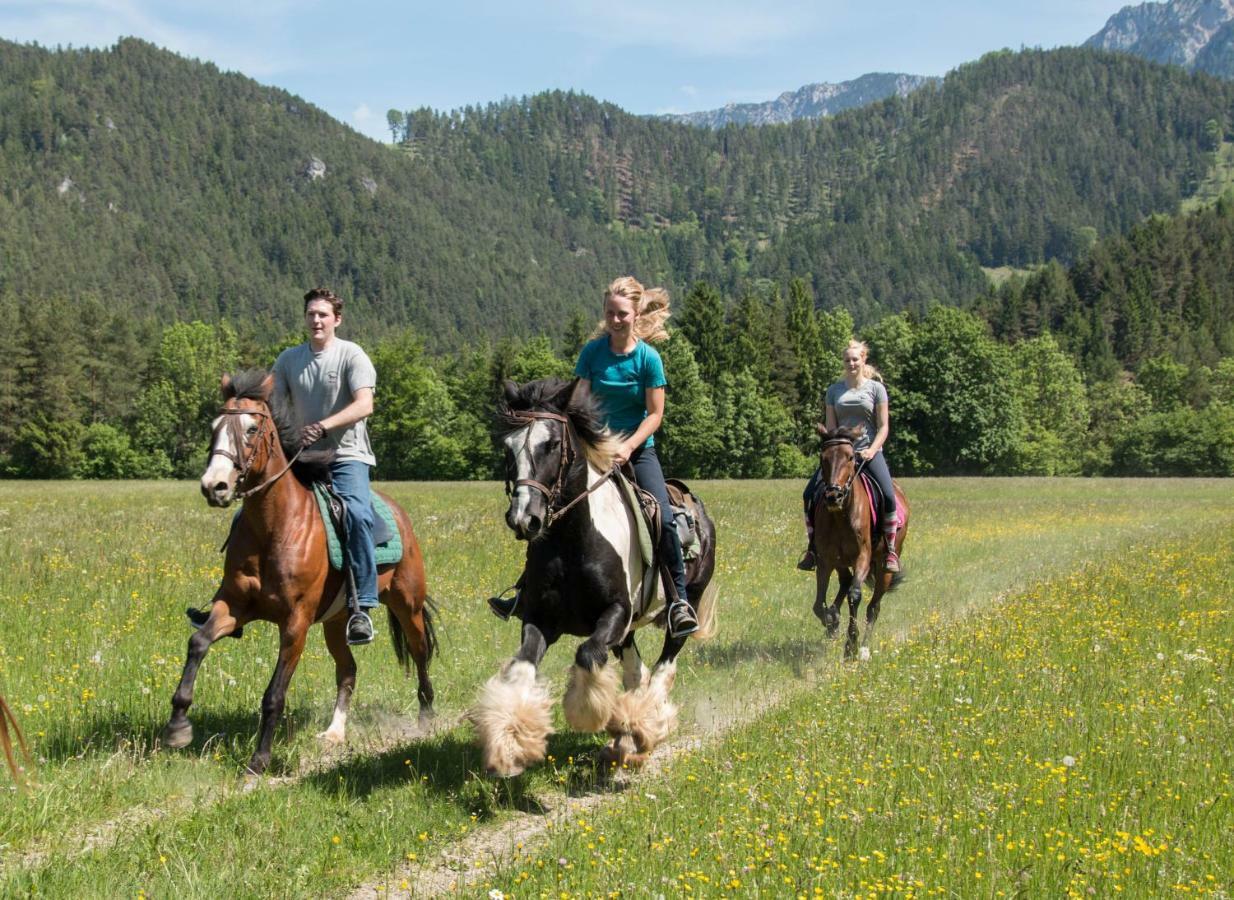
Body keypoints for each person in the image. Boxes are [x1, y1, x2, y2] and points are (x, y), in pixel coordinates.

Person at [490, 276, 698, 638]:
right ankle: (526, 591)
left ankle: (678, 600)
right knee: (553, 508)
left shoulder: (649, 359)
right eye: (609, 313)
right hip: (593, 449)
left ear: (635, 315)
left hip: (635, 451)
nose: (614, 320)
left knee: (662, 518)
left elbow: (655, 415)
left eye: (621, 314)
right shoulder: (592, 354)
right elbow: (578, 403)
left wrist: (629, 446)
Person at [798, 339, 900, 573]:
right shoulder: (834, 391)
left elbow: (883, 426)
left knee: (888, 495)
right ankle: (813, 548)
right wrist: (835, 452)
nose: (851, 363)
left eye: (855, 359)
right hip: (841, 457)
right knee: (810, 494)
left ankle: (891, 549)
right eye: (847, 360)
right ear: (843, 362)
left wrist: (872, 450)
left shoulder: (876, 389)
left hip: (869, 453)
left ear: (863, 359)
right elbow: (831, 428)